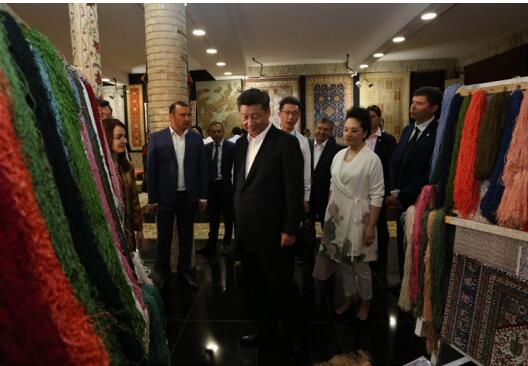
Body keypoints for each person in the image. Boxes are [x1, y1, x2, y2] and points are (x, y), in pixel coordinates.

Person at [233, 88, 306, 361]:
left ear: (267, 112)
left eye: (255, 116)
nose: (249, 123)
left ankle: (296, 338)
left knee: (282, 289)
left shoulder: (285, 143)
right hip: (247, 232)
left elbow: (294, 191)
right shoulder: (241, 144)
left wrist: (290, 228)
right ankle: (265, 332)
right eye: (244, 117)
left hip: (275, 234)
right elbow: (241, 184)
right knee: (255, 289)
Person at [313, 107, 384, 321]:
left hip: (360, 218)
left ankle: (365, 301)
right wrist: (328, 217)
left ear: (364, 132)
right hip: (337, 217)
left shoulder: (372, 160)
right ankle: (349, 297)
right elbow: (332, 185)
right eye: (345, 129)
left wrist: (371, 226)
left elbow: (377, 194)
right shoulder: (338, 155)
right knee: (342, 262)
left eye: (354, 130)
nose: (348, 134)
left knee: (360, 265)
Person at [146, 101, 208, 290]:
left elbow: (203, 170)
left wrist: (203, 197)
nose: (187, 118)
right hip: (165, 198)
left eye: (188, 115)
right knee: (163, 237)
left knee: (187, 237)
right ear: (171, 117)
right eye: (183, 115)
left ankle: (185, 271)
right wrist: (153, 199)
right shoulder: (157, 138)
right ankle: (161, 272)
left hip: (188, 197)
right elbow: (152, 171)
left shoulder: (196, 140)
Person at [386, 87, 442, 280]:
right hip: (400, 200)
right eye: (412, 102)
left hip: (420, 202)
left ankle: (415, 293)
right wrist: (394, 191)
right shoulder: (408, 129)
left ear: (433, 107)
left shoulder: (438, 133)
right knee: (403, 245)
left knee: (418, 249)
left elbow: (429, 173)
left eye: (419, 103)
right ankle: (403, 288)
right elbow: (395, 161)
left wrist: (402, 195)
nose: (413, 106)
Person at [365, 105, 397, 284]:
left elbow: (391, 167)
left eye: (372, 116)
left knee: (380, 226)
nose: (370, 119)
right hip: (361, 192)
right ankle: (365, 257)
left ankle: (380, 262)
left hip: (380, 190)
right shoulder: (360, 137)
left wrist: (390, 191)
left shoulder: (388, 140)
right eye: (367, 116)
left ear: (379, 118)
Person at [102, 118, 144, 252]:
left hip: (127, 228)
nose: (124, 141)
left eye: (125, 136)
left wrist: (139, 229)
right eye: (119, 137)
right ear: (107, 138)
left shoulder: (127, 167)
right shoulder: (99, 169)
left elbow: (134, 200)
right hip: (108, 230)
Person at [198, 121, 235, 256]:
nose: (216, 134)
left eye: (219, 131)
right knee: (212, 218)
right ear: (209, 133)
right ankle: (211, 245)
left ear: (223, 132)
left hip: (226, 185)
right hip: (211, 186)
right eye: (213, 132)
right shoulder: (206, 148)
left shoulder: (232, 147)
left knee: (228, 216)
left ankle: (226, 243)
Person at [278, 96, 311, 213]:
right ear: (279, 114)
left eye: (295, 113)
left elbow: (306, 171)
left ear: (299, 116)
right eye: (287, 113)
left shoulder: (303, 141)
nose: (290, 117)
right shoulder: (270, 138)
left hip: (295, 192)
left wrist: (306, 197)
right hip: (273, 192)